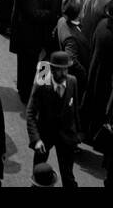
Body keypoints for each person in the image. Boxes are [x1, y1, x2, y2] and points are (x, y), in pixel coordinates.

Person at [28, 51, 81, 187]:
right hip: (45, 135)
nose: (64, 73)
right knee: (40, 174)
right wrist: (36, 139)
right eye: (60, 70)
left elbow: (74, 110)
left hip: (66, 136)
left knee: (68, 176)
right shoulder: (41, 83)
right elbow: (31, 112)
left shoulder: (72, 81)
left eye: (66, 69)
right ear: (52, 69)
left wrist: (76, 134)